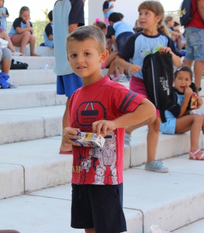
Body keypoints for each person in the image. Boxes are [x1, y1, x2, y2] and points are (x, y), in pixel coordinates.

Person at [62, 25, 155, 233]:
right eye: (74, 54)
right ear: (68, 59)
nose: (80, 60)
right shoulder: (76, 95)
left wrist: (114, 123)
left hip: (106, 179)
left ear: (103, 56)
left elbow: (148, 109)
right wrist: (68, 134)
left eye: (87, 53)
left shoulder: (112, 89)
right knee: (89, 228)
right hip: (80, 176)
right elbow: (74, 129)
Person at [116, 1, 182, 172]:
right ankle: (127, 129)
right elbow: (118, 59)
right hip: (139, 83)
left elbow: (178, 62)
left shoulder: (165, 39)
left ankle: (150, 160)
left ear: (158, 18)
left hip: (158, 86)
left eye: (147, 14)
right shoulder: (135, 38)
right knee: (152, 115)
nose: (142, 17)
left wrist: (170, 53)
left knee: (155, 122)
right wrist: (129, 67)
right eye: (140, 13)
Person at [53, 0, 84, 154]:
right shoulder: (76, 1)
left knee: (71, 101)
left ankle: (68, 142)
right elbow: (73, 29)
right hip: (73, 59)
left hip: (62, 57)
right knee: (74, 101)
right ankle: (66, 144)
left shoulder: (58, 3)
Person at [160, 66, 204, 160]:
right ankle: (194, 150)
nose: (183, 82)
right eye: (180, 78)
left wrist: (197, 105)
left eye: (187, 79)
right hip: (168, 124)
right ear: (173, 80)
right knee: (197, 117)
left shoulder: (190, 92)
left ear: (190, 82)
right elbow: (178, 115)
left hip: (178, 122)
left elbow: (190, 112)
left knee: (201, 116)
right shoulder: (169, 94)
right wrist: (187, 98)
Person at [182, 0, 204, 94]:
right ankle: (197, 87)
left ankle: (182, 83)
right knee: (201, 58)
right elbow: (202, 6)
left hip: (189, 26)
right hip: (198, 26)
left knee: (189, 57)